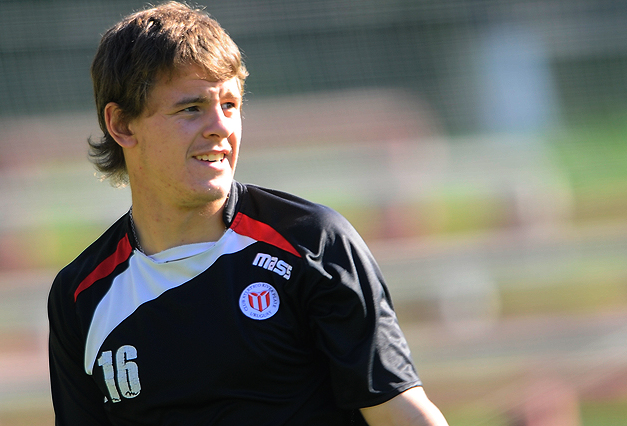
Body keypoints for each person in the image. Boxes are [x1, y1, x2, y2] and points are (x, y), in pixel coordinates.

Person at [47, 2, 450, 425]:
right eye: (191, 108)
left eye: (230, 105)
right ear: (123, 125)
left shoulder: (311, 243)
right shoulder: (81, 296)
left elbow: (401, 412)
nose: (220, 127)